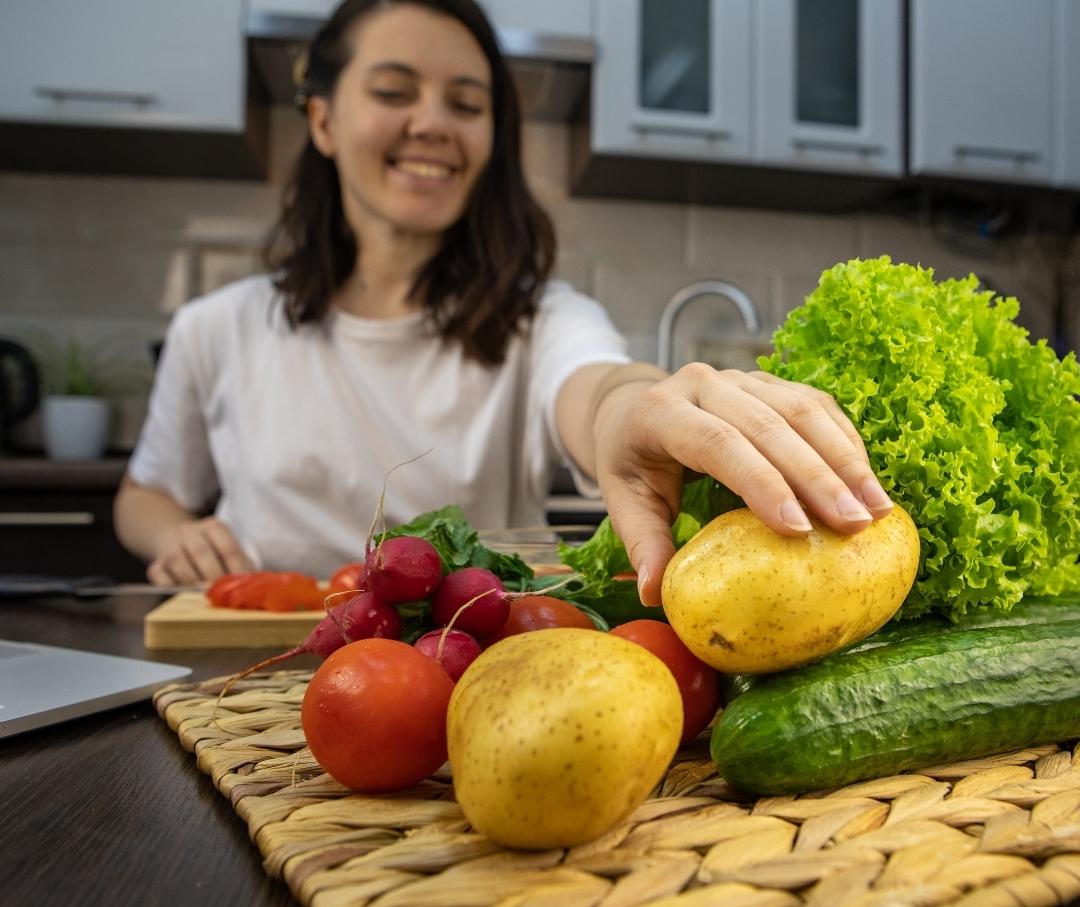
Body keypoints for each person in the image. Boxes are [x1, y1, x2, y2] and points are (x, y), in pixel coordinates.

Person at [114, 0, 893, 606]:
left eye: (467, 103)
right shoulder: (215, 328)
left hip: (449, 684)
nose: (432, 124)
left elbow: (596, 384)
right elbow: (145, 495)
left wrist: (632, 410)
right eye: (392, 91)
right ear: (321, 118)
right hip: (247, 670)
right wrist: (178, 535)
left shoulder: (540, 321)